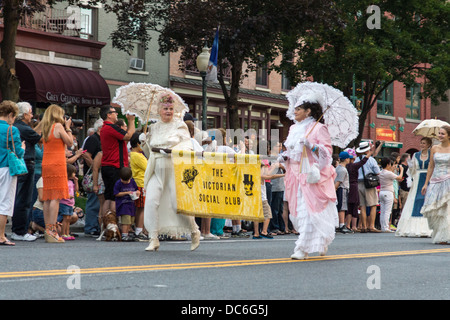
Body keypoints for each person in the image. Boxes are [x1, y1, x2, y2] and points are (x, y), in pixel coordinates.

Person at [141, 93, 201, 252]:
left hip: (174, 167)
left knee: (177, 204)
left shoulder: (179, 126)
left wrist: (173, 151)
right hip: (156, 167)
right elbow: (149, 152)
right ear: (159, 110)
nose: (168, 111)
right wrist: (143, 142)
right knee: (151, 202)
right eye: (165, 109)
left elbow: (187, 146)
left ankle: (194, 230)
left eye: (171, 109)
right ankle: (153, 238)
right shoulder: (153, 127)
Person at [282, 92, 338, 260]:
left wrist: (312, 146)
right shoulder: (292, 128)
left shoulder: (319, 128)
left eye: (298, 109)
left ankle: (302, 248)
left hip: (311, 174)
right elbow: (292, 152)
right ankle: (320, 241)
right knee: (298, 211)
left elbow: (327, 154)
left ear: (307, 111)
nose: (294, 111)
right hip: (294, 174)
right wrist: (284, 157)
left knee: (308, 210)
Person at [40, 104, 74, 243]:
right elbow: (70, 142)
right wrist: (68, 127)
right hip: (57, 164)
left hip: (46, 163)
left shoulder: (45, 127)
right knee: (56, 197)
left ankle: (48, 230)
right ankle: (53, 231)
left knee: (48, 197)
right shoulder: (59, 126)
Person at [11, 102, 42, 242]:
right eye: (30, 113)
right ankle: (20, 231)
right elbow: (39, 137)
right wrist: (44, 122)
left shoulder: (17, 127)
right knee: (24, 199)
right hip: (26, 164)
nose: (32, 116)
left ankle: (18, 229)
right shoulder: (23, 128)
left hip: (20, 165)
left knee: (18, 197)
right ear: (24, 114)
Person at [99, 106, 135, 217]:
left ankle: (106, 225)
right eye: (115, 112)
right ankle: (113, 223)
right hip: (115, 165)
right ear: (108, 115)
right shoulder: (111, 127)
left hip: (107, 165)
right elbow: (129, 136)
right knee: (115, 197)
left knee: (108, 197)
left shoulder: (104, 128)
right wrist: (131, 121)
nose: (117, 114)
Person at [395, 137, 433, 237]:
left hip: (429, 179)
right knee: (415, 200)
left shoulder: (432, 154)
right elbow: (412, 170)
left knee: (427, 201)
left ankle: (428, 227)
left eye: (424, 143)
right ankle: (413, 227)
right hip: (417, 179)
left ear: (429, 144)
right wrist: (411, 166)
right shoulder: (416, 155)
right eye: (421, 143)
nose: (422, 145)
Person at [0, 101, 25, 246]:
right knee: (4, 203)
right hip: (5, 168)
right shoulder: (12, 130)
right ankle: (1, 236)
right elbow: (18, 152)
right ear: (10, 114)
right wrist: (22, 147)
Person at [420, 126, 450, 244]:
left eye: (442, 134)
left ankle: (446, 235)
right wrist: (426, 183)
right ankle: (439, 233)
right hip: (435, 181)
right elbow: (431, 166)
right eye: (439, 133)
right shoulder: (434, 148)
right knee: (434, 208)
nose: (440, 135)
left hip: (448, 180)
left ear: (448, 135)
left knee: (447, 209)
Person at [82, 118, 103, 237]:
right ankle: (90, 226)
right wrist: (95, 166)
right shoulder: (93, 139)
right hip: (92, 174)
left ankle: (94, 225)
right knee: (93, 201)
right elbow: (86, 154)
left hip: (96, 172)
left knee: (97, 200)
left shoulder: (98, 139)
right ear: (100, 128)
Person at [343, 147, 373, 232]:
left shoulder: (344, 167)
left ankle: (347, 225)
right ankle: (353, 226)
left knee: (349, 206)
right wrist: (369, 154)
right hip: (354, 186)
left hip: (347, 186)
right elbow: (363, 162)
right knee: (355, 206)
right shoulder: (353, 166)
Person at [355, 141, 381, 233]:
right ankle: (371, 226)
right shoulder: (371, 160)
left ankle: (363, 226)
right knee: (373, 205)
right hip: (369, 184)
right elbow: (378, 172)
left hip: (359, 183)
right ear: (367, 150)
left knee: (362, 206)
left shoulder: (357, 160)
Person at [129, 132, 148, 241]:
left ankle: (139, 229)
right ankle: (139, 230)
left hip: (139, 183)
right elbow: (148, 167)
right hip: (141, 183)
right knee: (141, 208)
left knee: (141, 207)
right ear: (137, 143)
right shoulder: (137, 156)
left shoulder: (134, 154)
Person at [114, 167, 139, 241]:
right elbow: (116, 193)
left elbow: (136, 189)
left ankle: (127, 233)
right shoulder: (118, 183)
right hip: (123, 206)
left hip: (131, 205)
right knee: (125, 220)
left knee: (131, 220)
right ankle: (124, 235)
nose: (125, 182)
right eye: (123, 180)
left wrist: (137, 192)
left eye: (127, 180)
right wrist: (126, 193)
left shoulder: (132, 182)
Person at [378, 157, 404, 232]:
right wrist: (401, 170)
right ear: (388, 164)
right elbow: (399, 177)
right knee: (387, 211)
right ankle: (386, 227)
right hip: (388, 192)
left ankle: (383, 226)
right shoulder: (388, 173)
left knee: (382, 211)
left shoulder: (381, 172)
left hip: (382, 192)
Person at [253, 163, 274, 239]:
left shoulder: (253, 176)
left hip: (255, 199)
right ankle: (264, 231)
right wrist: (284, 175)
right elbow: (272, 176)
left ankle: (256, 233)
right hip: (262, 199)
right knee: (268, 215)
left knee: (256, 217)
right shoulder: (260, 176)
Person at [58, 164, 79, 240]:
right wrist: (67, 195)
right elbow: (61, 192)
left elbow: (76, 190)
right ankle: (63, 233)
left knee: (68, 218)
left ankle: (67, 233)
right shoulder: (63, 182)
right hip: (64, 203)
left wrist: (76, 182)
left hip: (70, 203)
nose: (74, 174)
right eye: (73, 172)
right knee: (65, 218)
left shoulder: (71, 182)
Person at [334, 151, 353, 234]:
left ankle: (339, 224)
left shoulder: (337, 168)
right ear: (346, 159)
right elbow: (338, 182)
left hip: (339, 189)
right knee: (342, 207)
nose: (349, 159)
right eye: (348, 158)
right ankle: (342, 225)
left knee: (340, 207)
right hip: (342, 189)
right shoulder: (343, 169)